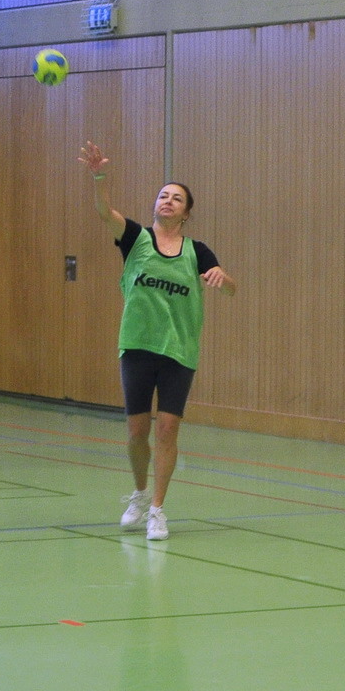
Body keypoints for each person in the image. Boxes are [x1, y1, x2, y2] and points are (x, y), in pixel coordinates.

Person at [77, 141, 235, 541]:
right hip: (137, 347)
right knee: (136, 432)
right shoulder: (136, 239)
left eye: (177, 198)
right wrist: (99, 177)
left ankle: (158, 510)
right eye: (164, 195)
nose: (168, 201)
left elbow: (231, 288)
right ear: (155, 204)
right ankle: (139, 492)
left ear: (187, 213)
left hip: (179, 352)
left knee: (166, 430)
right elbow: (104, 212)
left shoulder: (197, 251)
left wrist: (224, 279)